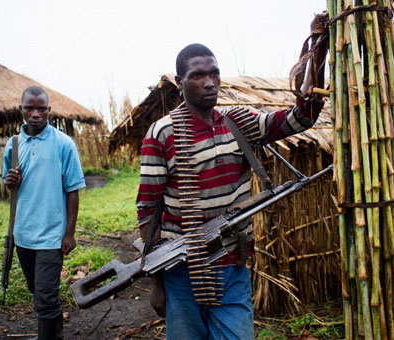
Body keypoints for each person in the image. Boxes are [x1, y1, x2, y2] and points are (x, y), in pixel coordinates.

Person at [136, 43, 324, 339]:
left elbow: (301, 118)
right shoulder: (162, 133)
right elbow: (148, 212)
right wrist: (157, 284)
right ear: (179, 82)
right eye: (198, 75)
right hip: (183, 272)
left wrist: (317, 55)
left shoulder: (239, 121)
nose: (209, 83)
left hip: (232, 266)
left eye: (214, 74)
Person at [3, 86, 86, 340]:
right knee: (37, 291)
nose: (35, 113)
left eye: (41, 108)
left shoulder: (63, 144)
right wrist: (9, 182)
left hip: (51, 235)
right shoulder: (14, 145)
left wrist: (69, 234)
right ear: (21, 110)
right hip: (22, 234)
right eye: (30, 108)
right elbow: (10, 185)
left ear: (49, 110)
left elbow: (72, 191)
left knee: (47, 296)